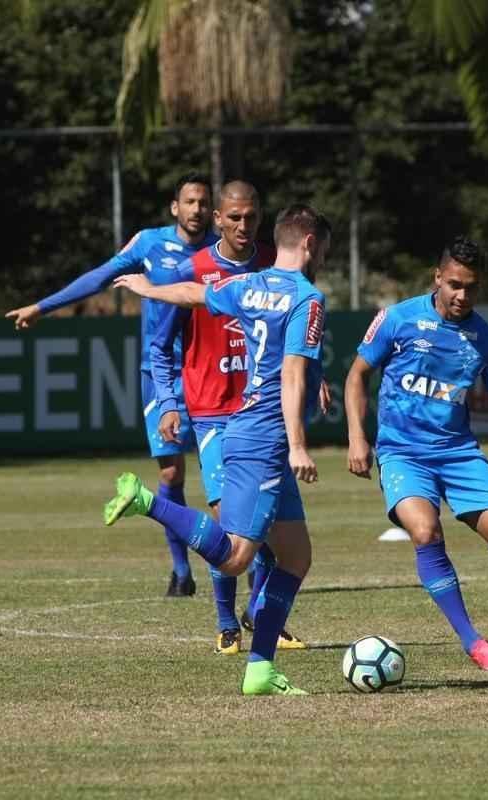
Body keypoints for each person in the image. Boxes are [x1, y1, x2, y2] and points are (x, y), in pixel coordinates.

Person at [104, 203, 332, 695]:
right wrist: (297, 445)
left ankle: (260, 669)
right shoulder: (307, 298)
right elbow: (292, 374)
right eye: (325, 248)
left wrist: (148, 289)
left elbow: (194, 293)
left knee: (295, 557)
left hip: (246, 427)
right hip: (266, 437)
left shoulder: (251, 283)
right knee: (235, 557)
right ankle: (147, 501)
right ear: (311, 243)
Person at [344, 235, 488, 671]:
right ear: (437, 278)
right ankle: (474, 643)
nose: (463, 295)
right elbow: (356, 375)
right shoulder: (397, 319)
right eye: (454, 285)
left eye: (472, 287)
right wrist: (357, 436)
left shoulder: (485, 337)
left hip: (459, 453)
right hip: (403, 453)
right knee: (426, 532)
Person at [5, 173, 215, 598]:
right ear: (175, 207)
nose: (195, 210)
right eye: (188, 201)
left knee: (223, 477)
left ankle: (233, 562)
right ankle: (181, 571)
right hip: (160, 374)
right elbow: (99, 277)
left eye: (202, 203)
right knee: (172, 471)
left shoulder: (220, 251)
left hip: (207, 372)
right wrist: (41, 308)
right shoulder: (148, 244)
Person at [149, 180, 305, 655]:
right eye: (233, 217)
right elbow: (160, 346)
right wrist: (168, 402)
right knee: (231, 524)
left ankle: (260, 614)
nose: (243, 225)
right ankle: (225, 622)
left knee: (271, 531)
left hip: (264, 415)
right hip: (214, 414)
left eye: (251, 217)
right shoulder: (193, 269)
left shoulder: (269, 266)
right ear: (218, 218)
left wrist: (310, 376)